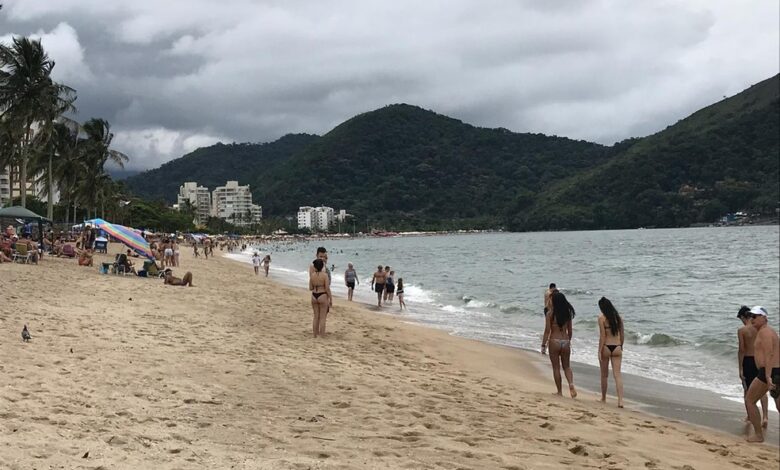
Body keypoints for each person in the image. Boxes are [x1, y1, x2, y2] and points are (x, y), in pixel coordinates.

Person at [745, 306, 780, 442]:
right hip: (775, 371)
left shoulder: (765, 332)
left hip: (769, 372)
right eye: (750, 316)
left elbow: (769, 354)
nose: (751, 319)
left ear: (764, 318)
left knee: (750, 400)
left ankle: (758, 435)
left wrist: (767, 376)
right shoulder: (767, 331)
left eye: (755, 316)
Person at [737, 306, 768, 427]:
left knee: (747, 390)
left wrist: (740, 368)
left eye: (741, 319)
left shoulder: (742, 330)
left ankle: (750, 416)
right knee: (762, 390)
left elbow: (742, 350)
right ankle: (765, 417)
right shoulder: (760, 329)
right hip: (760, 360)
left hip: (749, 361)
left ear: (744, 317)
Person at [542, 291, 577, 398]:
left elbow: (547, 331)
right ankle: (571, 384)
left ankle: (560, 391)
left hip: (554, 341)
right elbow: (570, 331)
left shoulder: (550, 314)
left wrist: (543, 345)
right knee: (567, 366)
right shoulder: (568, 314)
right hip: (565, 341)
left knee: (556, 368)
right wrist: (568, 341)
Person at [597, 297, 625, 408]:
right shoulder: (619, 318)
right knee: (617, 375)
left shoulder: (601, 319)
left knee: (604, 375)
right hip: (617, 346)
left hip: (606, 347)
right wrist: (621, 345)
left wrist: (599, 350)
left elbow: (603, 336)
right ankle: (620, 401)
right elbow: (622, 335)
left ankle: (603, 398)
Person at [309, 258, 332, 337]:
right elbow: (327, 288)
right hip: (322, 295)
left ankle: (314, 334)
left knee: (316, 316)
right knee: (322, 317)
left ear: (315, 267)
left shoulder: (312, 275)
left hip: (314, 295)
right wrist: (330, 298)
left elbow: (310, 287)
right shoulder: (325, 275)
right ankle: (322, 335)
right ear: (322, 267)